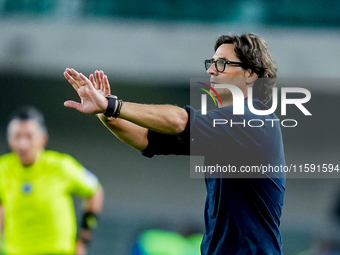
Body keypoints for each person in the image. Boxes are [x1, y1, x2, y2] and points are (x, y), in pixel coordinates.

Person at [63, 33, 285, 254]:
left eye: (222, 64)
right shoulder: (224, 128)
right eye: (212, 63)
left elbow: (179, 120)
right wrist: (104, 112)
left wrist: (112, 105)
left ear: (250, 74)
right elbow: (145, 138)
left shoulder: (255, 120)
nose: (211, 70)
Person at [0, 106, 104, 255]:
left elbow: (94, 190)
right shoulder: (3, 169)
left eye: (29, 136)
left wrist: (83, 237)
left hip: (59, 251)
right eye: (17, 136)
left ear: (43, 139)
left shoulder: (61, 166)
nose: (22, 144)